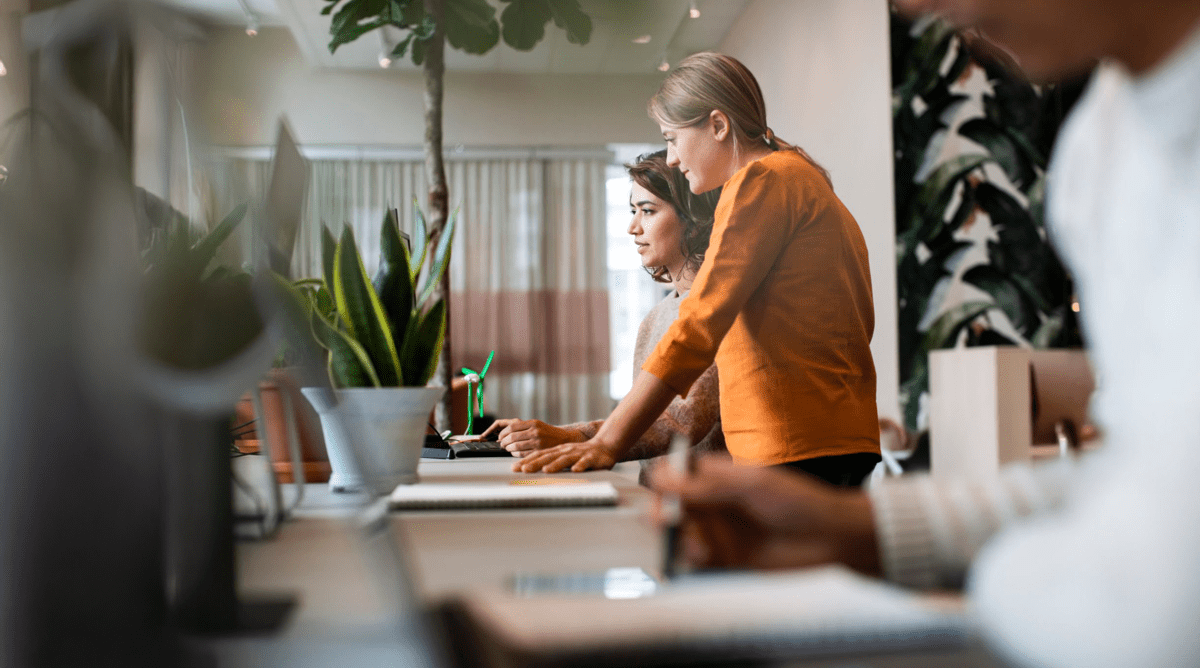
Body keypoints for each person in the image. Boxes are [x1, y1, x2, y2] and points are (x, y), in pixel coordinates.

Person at [653, 1, 1200, 667]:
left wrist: (968, 576)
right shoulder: (1099, 154)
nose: (914, 7)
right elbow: (1139, 476)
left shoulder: (769, 180)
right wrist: (863, 530)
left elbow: (1158, 614)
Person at [516, 53, 882, 486]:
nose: (671, 157)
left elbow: (699, 326)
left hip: (794, 447)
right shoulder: (803, 180)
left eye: (673, 138)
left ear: (718, 125)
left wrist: (607, 442)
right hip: (831, 438)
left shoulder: (762, 181)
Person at [484, 151, 728, 479]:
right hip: (660, 500)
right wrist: (564, 435)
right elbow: (649, 417)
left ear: (693, 220)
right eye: (632, 210)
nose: (632, 227)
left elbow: (680, 421)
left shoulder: (718, 307)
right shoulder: (656, 317)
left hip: (707, 513)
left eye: (648, 211)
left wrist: (572, 436)